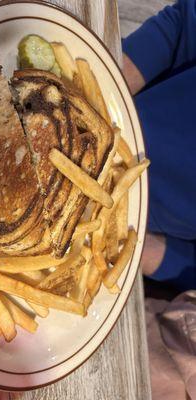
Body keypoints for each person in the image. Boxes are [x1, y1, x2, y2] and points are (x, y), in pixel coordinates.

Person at [121, 0, 196, 290]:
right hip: (118, 110)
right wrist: (105, 93)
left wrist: (131, 245)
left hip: (128, 230)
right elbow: (184, 26)